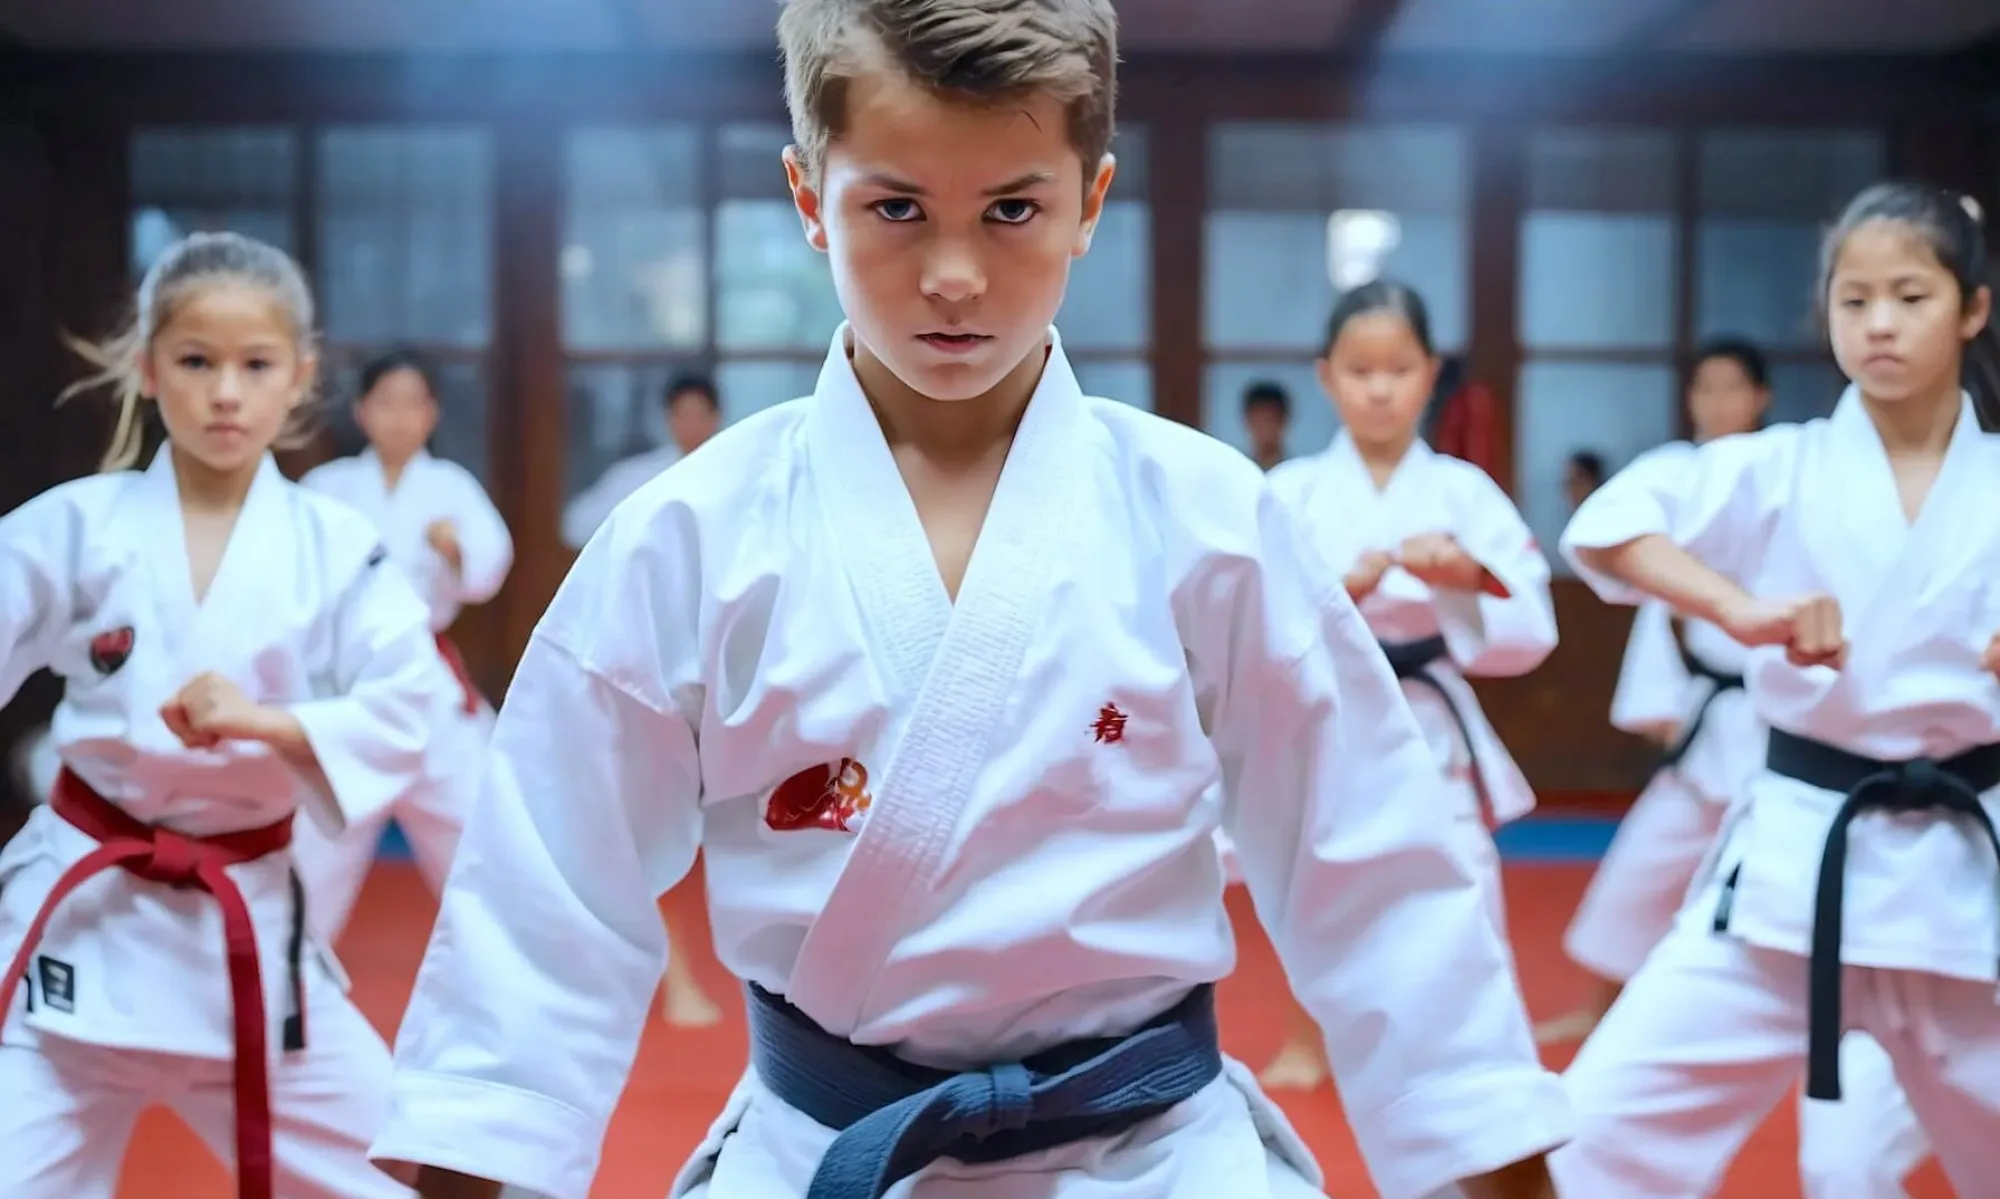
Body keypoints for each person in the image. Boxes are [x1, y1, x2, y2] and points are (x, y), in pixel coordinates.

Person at [365, 3, 1569, 1198]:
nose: (953, 275)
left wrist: (1499, 1169)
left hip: (1157, 1157)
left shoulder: (1204, 518)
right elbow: (544, 903)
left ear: (1089, 200)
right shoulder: (690, 536)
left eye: (1011, 209)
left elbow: (1378, 875)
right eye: (895, 208)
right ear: (808, 196)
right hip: (821, 1152)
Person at [1551, 182, 2000, 1196]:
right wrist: (1735, 606)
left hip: (1966, 886)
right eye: (1853, 299)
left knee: (1857, 1167)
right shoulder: (1779, 468)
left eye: (1910, 296)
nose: (1878, 323)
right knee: (1589, 1137)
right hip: (1795, 865)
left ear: (1971, 308)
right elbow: (1609, 524)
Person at [0, 230, 442, 1199]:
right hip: (81, 936)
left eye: (256, 364)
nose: (226, 393)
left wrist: (268, 720)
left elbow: (411, 703)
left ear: (302, 375)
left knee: (402, 1176)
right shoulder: (75, 527)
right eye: (197, 361)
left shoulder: (336, 547)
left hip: (245, 941)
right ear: (148, 368)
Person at [1257, 280, 1556, 1092]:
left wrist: (1463, 575)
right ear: (1326, 376)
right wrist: (1337, 593)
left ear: (1430, 373)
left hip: (1429, 717)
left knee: (1464, 883)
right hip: (1329, 717)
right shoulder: (1290, 492)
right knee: (1314, 883)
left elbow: (1532, 628)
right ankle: (1307, 1038)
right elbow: (1251, 624)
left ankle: (1480, 1055)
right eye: (1361, 371)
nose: (1380, 389)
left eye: (1399, 369)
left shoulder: (1464, 492)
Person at [288, 348, 514, 944]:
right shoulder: (327, 489)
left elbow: (489, 568)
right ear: (361, 411)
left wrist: (456, 551)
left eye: (412, 404)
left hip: (425, 683)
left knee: (482, 836)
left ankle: (502, 964)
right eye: (385, 403)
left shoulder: (450, 487)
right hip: (346, 687)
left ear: (431, 414)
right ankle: (290, 971)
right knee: (314, 850)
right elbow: (288, 578)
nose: (398, 417)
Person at [559, 372, 722, 551]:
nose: (693, 426)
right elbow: (576, 527)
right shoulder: (636, 477)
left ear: (716, 418)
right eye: (684, 415)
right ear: (668, 418)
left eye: (701, 415)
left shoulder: (733, 474)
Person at [1242, 380, 1291, 473]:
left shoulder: (1297, 473)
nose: (1265, 428)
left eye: (1270, 419)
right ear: (1248, 421)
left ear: (1283, 421)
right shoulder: (1238, 471)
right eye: (1259, 420)